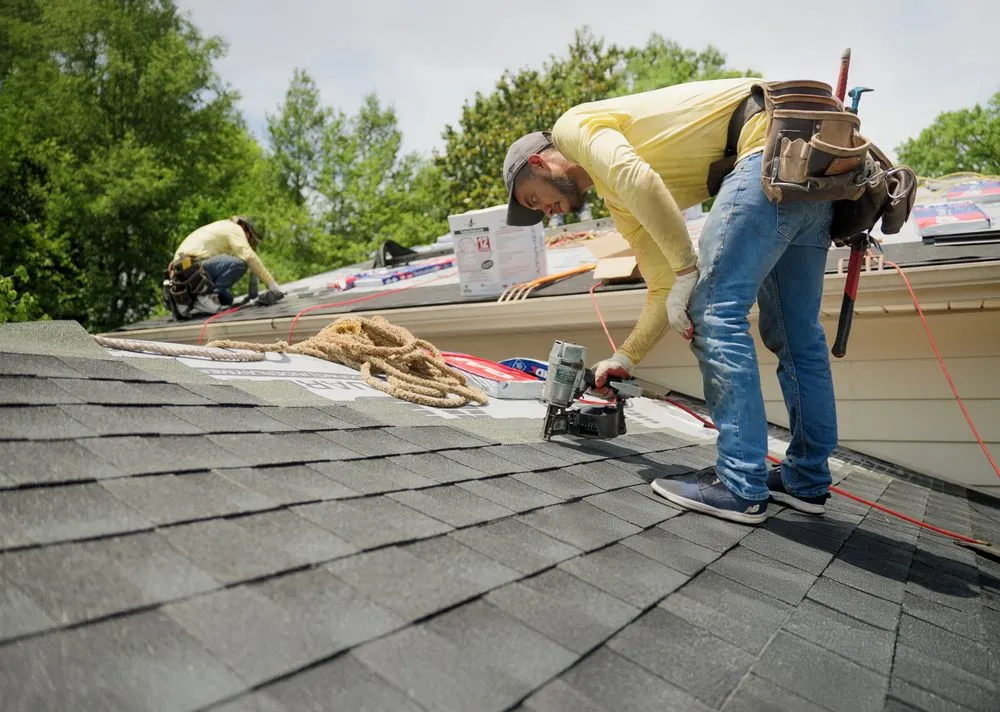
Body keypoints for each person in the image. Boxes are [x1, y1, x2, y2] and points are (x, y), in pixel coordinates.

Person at [503, 77, 839, 525]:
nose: (547, 212)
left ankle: (740, 484)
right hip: (812, 167)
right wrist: (626, 357)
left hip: (768, 149)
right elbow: (663, 287)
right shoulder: (619, 203)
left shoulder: (573, 127)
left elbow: (637, 178)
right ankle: (806, 479)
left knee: (713, 311)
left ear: (538, 162)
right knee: (797, 334)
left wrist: (687, 270)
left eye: (534, 199)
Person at [166, 216, 283, 316]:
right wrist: (271, 283)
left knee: (227, 299)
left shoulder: (223, 229)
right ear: (245, 228)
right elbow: (248, 257)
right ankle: (206, 298)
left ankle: (200, 300)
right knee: (239, 265)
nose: (248, 240)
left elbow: (252, 264)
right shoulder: (235, 229)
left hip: (186, 272)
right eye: (250, 236)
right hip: (190, 269)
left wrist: (253, 295)